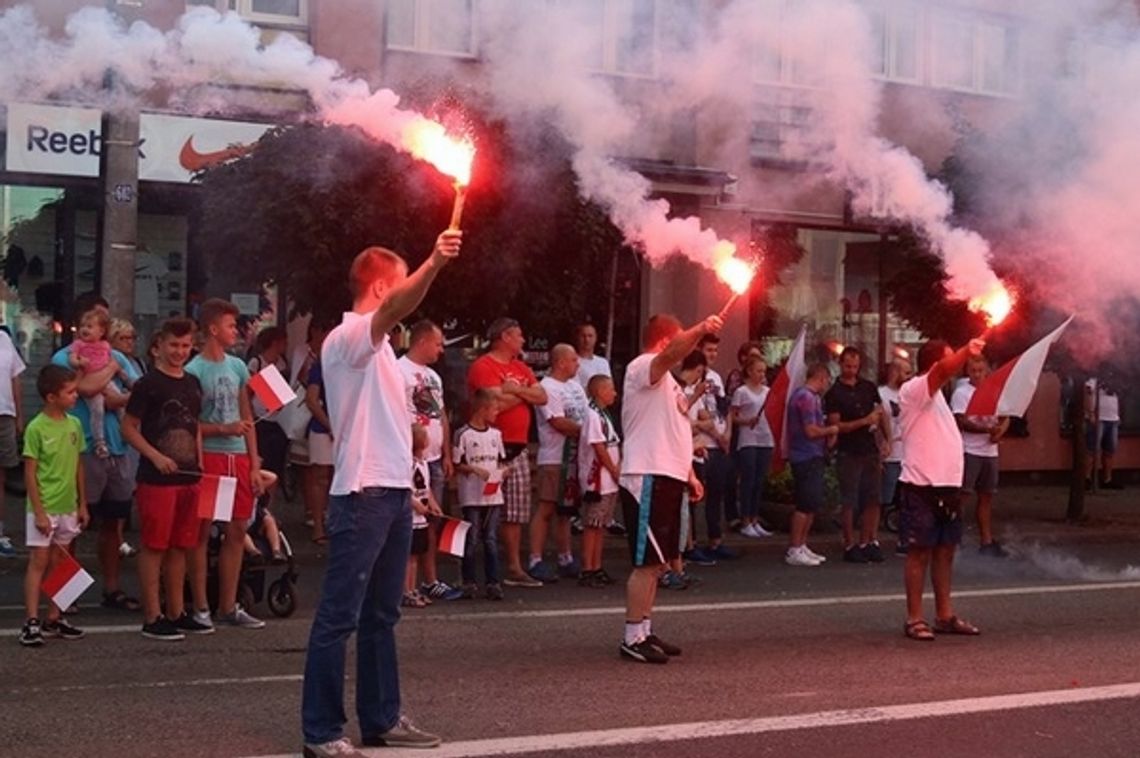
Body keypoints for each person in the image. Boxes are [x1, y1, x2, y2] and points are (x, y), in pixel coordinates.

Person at [301, 230, 460, 756]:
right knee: (339, 616)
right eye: (399, 283)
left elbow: (385, 428)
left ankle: (382, 718)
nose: (406, 296)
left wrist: (410, 490)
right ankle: (321, 732)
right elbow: (399, 304)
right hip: (362, 493)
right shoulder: (349, 339)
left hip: (390, 494)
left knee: (382, 615)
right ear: (377, 290)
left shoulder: (386, 353)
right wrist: (435, 262)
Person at [618, 312, 722, 665]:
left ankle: (645, 629)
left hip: (667, 477)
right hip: (646, 475)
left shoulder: (670, 386)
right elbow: (668, 354)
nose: (688, 346)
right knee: (646, 562)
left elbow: (675, 431)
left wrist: (689, 475)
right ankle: (632, 636)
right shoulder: (643, 367)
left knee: (660, 562)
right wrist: (702, 328)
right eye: (682, 339)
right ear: (667, 339)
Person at [121, 317, 213, 641]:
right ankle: (152, 614)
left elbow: (195, 425)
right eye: (173, 345)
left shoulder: (192, 382)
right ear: (158, 346)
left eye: (186, 346)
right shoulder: (148, 385)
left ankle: (176, 610)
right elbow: (129, 427)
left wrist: (199, 461)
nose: (179, 352)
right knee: (155, 545)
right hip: (157, 478)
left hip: (189, 475)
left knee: (181, 545)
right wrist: (155, 456)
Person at [51, 300, 143, 612]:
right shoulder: (65, 357)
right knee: (72, 525)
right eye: (85, 325)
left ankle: (112, 588)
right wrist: (112, 374)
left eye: (95, 326)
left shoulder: (116, 356)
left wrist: (119, 391)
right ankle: (64, 595)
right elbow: (86, 388)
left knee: (113, 522)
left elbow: (137, 392)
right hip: (82, 448)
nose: (89, 330)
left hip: (118, 447)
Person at [898, 337, 985, 641]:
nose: (957, 366)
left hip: (947, 489)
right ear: (935, 364)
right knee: (919, 552)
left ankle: (944, 615)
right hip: (921, 487)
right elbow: (941, 371)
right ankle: (914, 618)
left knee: (945, 552)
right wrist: (967, 350)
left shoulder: (940, 401)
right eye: (951, 360)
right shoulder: (915, 390)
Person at [185, 298, 265, 631]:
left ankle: (228, 604)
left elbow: (247, 415)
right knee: (202, 531)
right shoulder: (194, 370)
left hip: (238, 456)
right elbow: (189, 424)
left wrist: (254, 462)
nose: (237, 331)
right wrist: (222, 429)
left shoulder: (238, 367)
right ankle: (201, 605)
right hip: (213, 456)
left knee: (236, 529)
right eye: (231, 326)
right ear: (213, 329)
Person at [466, 317, 547, 588]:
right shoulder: (483, 366)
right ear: (505, 337)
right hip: (488, 446)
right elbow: (492, 402)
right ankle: (478, 568)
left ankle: (514, 566)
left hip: (519, 446)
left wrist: (514, 391)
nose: (523, 340)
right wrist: (523, 394)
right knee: (483, 507)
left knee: (516, 510)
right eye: (519, 335)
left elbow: (542, 396)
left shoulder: (521, 367)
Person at [19, 365, 87, 647]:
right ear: (51, 397)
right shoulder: (36, 428)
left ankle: (54, 616)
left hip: (67, 504)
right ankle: (31, 621)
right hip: (44, 505)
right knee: (39, 561)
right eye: (69, 392)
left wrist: (83, 502)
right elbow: (30, 472)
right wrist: (39, 511)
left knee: (61, 562)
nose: (75, 396)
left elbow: (79, 465)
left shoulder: (74, 425)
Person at [398, 319, 461, 601]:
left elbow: (442, 415)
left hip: (432, 456)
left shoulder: (433, 377)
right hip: (408, 457)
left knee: (431, 518)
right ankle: (404, 582)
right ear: (421, 341)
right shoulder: (399, 371)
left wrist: (447, 452)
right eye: (437, 343)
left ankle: (430, 579)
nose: (440, 350)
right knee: (409, 519)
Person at [825, 347, 890, 563]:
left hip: (869, 448)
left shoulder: (868, 387)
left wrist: (886, 439)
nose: (851, 370)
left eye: (855, 366)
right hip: (848, 450)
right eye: (847, 366)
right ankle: (849, 543)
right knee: (849, 499)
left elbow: (880, 413)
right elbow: (836, 425)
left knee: (873, 497)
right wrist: (864, 421)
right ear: (841, 365)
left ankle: (868, 540)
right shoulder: (834, 392)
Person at [530, 343, 587, 582]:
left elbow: (586, 414)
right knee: (546, 508)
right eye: (574, 360)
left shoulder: (575, 386)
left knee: (565, 510)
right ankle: (535, 558)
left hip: (575, 456)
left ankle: (566, 556)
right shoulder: (547, 387)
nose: (578, 364)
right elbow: (557, 421)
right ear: (561, 362)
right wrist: (587, 433)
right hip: (554, 457)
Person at [951, 356, 1010, 557]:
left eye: (980, 370)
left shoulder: (994, 390)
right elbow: (961, 421)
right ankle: (953, 536)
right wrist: (986, 430)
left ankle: (986, 540)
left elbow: (1005, 416)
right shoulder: (962, 393)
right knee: (963, 495)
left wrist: (1000, 431)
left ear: (986, 371)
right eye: (973, 370)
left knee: (986, 496)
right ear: (968, 372)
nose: (977, 374)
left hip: (990, 451)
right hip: (970, 450)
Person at [453, 389, 507, 601]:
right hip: (472, 494)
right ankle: (469, 581)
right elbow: (458, 463)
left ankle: (493, 582)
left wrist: (502, 471)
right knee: (472, 538)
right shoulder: (463, 434)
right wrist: (475, 470)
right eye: (494, 409)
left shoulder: (496, 434)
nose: (497, 413)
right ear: (483, 409)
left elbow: (501, 460)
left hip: (493, 494)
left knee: (491, 539)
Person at [785, 363, 839, 567]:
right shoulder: (805, 398)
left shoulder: (814, 398)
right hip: (804, 455)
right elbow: (810, 430)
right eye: (827, 380)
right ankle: (794, 547)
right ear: (822, 377)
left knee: (812, 503)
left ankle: (802, 544)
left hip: (814, 454)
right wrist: (831, 430)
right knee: (804, 503)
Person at [69, 308, 132, 459]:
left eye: (90, 326)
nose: (85, 329)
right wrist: (79, 362)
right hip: (89, 378)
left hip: (108, 381)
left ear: (101, 331)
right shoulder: (78, 345)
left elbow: (113, 363)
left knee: (121, 407)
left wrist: (121, 373)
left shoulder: (105, 346)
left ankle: (125, 432)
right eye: (83, 326)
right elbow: (72, 359)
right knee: (97, 411)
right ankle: (99, 442)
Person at [578, 374, 621, 588]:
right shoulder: (593, 414)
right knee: (592, 524)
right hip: (598, 479)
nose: (614, 393)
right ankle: (588, 568)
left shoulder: (604, 414)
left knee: (601, 525)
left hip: (608, 481)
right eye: (611, 389)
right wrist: (614, 470)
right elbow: (598, 447)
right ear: (600, 391)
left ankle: (597, 565)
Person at [731, 355, 776, 539]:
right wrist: (745, 420)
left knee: (759, 481)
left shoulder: (767, 391)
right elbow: (732, 417)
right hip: (748, 439)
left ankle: (755, 518)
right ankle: (745, 520)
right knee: (748, 480)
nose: (761, 375)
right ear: (749, 371)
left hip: (765, 438)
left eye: (764, 371)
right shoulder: (741, 392)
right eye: (758, 371)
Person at [405, 425, 444, 607]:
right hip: (411, 518)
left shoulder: (424, 464)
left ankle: (412, 589)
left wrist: (433, 506)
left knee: (417, 555)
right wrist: (416, 504)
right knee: (409, 558)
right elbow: (406, 489)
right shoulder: (409, 464)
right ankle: (406, 590)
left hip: (421, 520)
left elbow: (426, 489)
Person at [878, 356, 912, 556]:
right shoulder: (882, 394)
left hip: (908, 453)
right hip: (890, 452)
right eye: (906, 373)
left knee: (905, 494)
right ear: (894, 372)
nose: (909, 377)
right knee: (887, 491)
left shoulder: (909, 394)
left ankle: (903, 529)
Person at [248, 326, 291, 483]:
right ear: (275, 343)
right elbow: (248, 391)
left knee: (276, 464)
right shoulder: (257, 362)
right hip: (261, 418)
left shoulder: (282, 364)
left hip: (279, 419)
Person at [0, 325, 26, 559]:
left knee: (2, 475)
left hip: (4, 414)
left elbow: (15, 379)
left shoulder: (5, 340)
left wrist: (19, 415)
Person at [1085, 374, 1122, 489]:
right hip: (1098, 418)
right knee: (1091, 450)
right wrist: (1091, 413)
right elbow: (1088, 393)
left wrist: (1118, 416)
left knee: (1109, 451)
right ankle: (1086, 479)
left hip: (1113, 419)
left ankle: (1107, 480)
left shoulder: (1116, 379)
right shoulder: (1094, 377)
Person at [573, 322, 612, 388]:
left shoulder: (603, 362)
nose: (587, 340)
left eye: (590, 336)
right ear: (577, 338)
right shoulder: (573, 362)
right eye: (583, 336)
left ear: (595, 338)